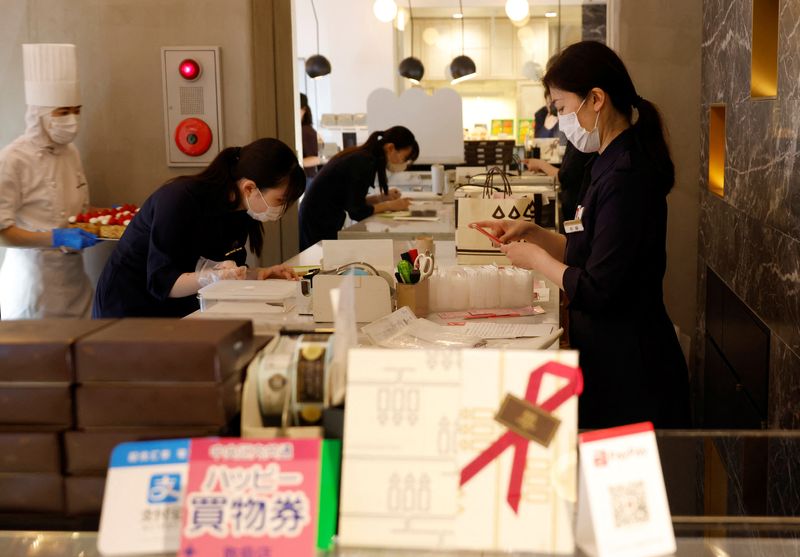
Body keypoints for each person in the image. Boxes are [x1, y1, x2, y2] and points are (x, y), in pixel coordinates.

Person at [474, 41, 690, 429]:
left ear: (596, 99)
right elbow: (587, 248)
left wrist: (536, 262)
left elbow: (597, 287)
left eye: (560, 107)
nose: (559, 119)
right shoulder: (604, 162)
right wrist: (535, 234)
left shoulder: (626, 175)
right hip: (607, 355)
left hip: (632, 370)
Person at [93, 138, 305, 318]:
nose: (281, 210)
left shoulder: (241, 212)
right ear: (249, 188)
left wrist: (258, 274)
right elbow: (162, 282)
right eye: (280, 200)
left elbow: (226, 269)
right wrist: (213, 277)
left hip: (177, 312)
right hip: (128, 307)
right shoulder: (179, 200)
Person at [0, 43, 98, 320]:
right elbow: (1, 231)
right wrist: (54, 236)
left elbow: (76, 211)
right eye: (62, 112)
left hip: (74, 281)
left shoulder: (70, 152)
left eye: (76, 110)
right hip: (33, 283)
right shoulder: (12, 159)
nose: (72, 120)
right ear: (39, 114)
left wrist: (105, 220)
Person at [298, 126, 418, 250]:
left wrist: (380, 198)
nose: (403, 163)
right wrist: (390, 205)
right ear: (390, 148)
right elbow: (358, 212)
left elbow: (352, 202)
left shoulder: (364, 156)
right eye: (404, 158)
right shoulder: (364, 161)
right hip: (317, 221)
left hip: (320, 217)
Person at [525, 141, 594, 231]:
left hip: (577, 206)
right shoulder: (577, 140)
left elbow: (564, 176)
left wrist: (540, 164)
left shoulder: (581, 142)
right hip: (574, 205)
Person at [299, 93, 322, 185]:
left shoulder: (306, 131)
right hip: (307, 178)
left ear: (304, 110)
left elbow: (316, 159)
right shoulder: (303, 130)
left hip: (307, 178)